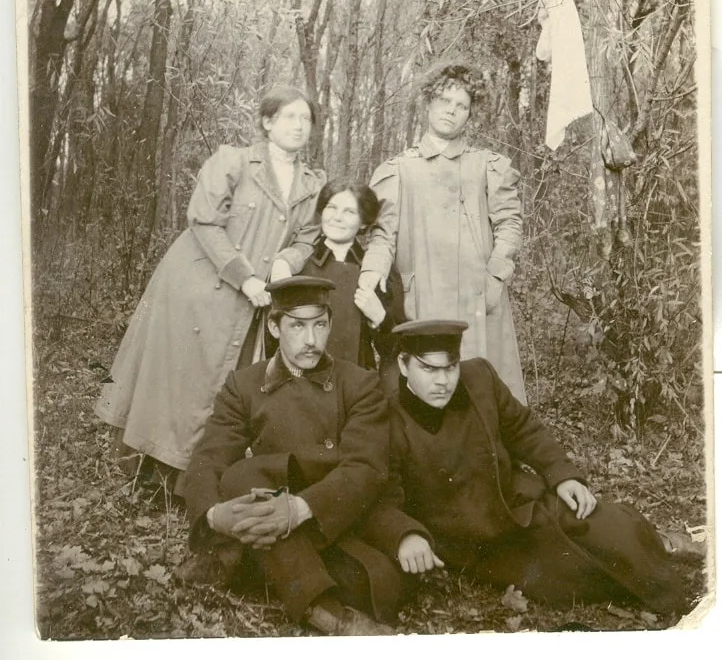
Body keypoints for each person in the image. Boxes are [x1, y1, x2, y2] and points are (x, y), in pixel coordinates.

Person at [385, 319, 689, 617]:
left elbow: (523, 429)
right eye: (428, 369)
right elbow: (382, 494)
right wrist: (406, 534)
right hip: (475, 541)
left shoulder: (479, 377)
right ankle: (656, 559)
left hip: (517, 504)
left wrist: (563, 476)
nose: (442, 381)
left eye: (450, 367)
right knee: (571, 574)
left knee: (608, 525)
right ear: (403, 365)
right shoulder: (386, 413)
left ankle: (659, 544)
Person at [94, 86, 324, 482]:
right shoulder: (234, 161)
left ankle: (197, 479)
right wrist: (244, 276)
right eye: (290, 116)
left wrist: (287, 260)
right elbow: (203, 221)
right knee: (180, 378)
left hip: (253, 302)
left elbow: (307, 237)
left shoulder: (311, 184)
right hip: (201, 285)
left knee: (224, 385)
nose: (299, 125)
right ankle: (150, 476)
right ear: (268, 122)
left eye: (306, 119)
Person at [182, 277, 430, 636]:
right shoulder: (244, 385)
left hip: (335, 522)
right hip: (274, 518)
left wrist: (299, 509)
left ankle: (275, 573)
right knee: (241, 477)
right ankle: (329, 615)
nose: (311, 339)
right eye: (297, 326)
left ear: (330, 324)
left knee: (364, 580)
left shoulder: (358, 384)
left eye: (320, 325)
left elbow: (365, 469)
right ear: (274, 327)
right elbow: (208, 458)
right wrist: (212, 516)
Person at [359, 62, 526, 402]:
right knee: (426, 387)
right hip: (422, 301)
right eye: (444, 101)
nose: (451, 110)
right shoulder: (399, 169)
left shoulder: (487, 165)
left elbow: (510, 225)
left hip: (478, 300)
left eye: (461, 105)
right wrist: (371, 272)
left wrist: (495, 277)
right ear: (428, 103)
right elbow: (383, 236)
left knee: (482, 391)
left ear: (470, 114)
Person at [272, 179, 405, 393]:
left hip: (357, 388)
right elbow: (274, 338)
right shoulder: (298, 266)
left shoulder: (376, 272)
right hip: (299, 389)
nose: (337, 217)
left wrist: (380, 318)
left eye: (349, 212)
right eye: (331, 208)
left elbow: (396, 349)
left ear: (364, 222)